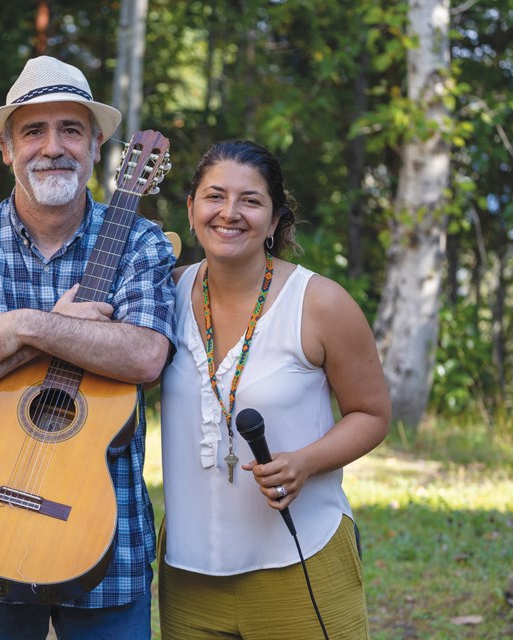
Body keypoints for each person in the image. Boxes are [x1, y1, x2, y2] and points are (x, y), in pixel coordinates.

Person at [0, 55, 176, 639]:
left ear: (97, 146)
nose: (53, 147)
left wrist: (24, 326)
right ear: (7, 149)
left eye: (71, 129)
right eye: (34, 131)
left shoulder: (140, 240)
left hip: (104, 532)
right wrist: (56, 327)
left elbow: (146, 355)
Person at [158, 139, 391, 639]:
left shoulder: (320, 303)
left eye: (251, 200)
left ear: (276, 217)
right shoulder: (164, 295)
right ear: (192, 208)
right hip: (188, 572)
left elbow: (371, 414)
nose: (229, 213)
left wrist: (306, 461)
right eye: (214, 196)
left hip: (300, 559)